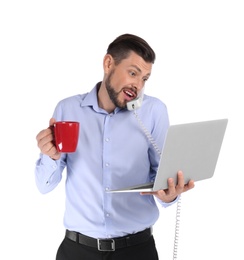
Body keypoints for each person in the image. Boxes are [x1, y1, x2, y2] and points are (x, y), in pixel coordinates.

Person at [35, 33, 195, 260]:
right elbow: (44, 186)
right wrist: (49, 157)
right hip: (77, 251)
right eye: (133, 73)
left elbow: (163, 178)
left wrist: (169, 195)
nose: (138, 86)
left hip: (137, 251)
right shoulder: (67, 110)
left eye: (145, 79)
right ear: (108, 63)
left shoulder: (153, 112)